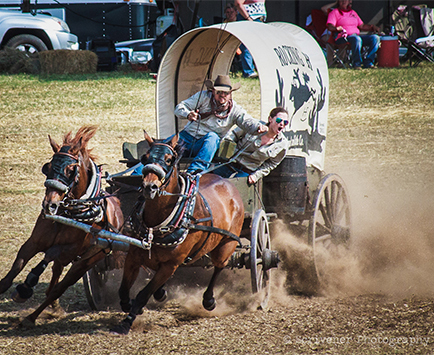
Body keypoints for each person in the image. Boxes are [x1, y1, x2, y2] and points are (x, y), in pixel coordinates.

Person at [173, 74, 267, 174]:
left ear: (230, 94)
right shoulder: (203, 97)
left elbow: (247, 121)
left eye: (226, 93)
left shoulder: (234, 110)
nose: (222, 95)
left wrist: (258, 127)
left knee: (212, 137)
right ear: (213, 91)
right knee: (163, 147)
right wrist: (188, 114)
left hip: (207, 146)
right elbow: (179, 108)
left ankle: (194, 172)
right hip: (187, 138)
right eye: (219, 92)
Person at [213, 107, 289, 185]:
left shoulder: (282, 144)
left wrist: (256, 176)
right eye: (279, 120)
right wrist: (224, 155)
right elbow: (233, 135)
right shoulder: (254, 125)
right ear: (270, 119)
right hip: (228, 163)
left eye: (285, 122)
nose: (282, 124)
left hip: (245, 173)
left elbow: (271, 164)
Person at [326, 0, 380, 69]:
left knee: (375, 38)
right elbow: (330, 26)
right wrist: (336, 28)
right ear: (338, 1)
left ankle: (369, 63)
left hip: (356, 36)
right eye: (341, 0)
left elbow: (362, 26)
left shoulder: (353, 13)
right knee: (357, 39)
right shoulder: (334, 12)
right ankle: (357, 64)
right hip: (343, 38)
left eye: (346, 0)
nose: (344, 1)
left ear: (349, 2)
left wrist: (372, 27)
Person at [234, 0, 267, 78]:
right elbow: (238, 3)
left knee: (260, 45)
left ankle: (260, 70)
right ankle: (249, 72)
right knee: (246, 46)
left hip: (259, 19)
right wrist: (248, 18)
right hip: (248, 19)